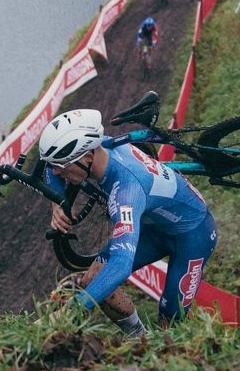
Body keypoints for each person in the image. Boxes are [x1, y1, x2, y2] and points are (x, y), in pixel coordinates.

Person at [38, 108, 218, 336]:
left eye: (61, 165)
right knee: (92, 279)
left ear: (87, 157)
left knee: (170, 324)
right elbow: (49, 167)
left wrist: (72, 310)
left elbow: (121, 266)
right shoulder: (100, 145)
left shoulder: (126, 193)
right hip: (155, 228)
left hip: (194, 236)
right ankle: (138, 338)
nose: (56, 171)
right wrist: (58, 201)